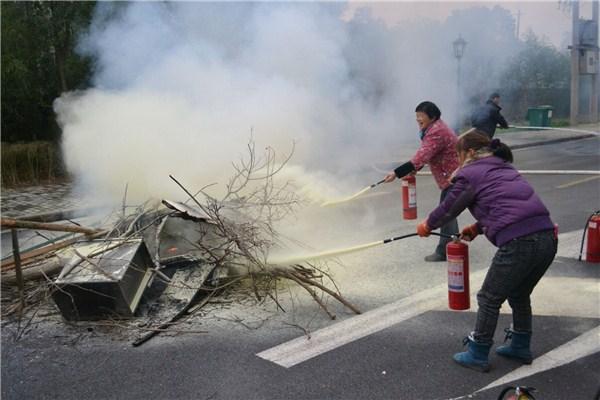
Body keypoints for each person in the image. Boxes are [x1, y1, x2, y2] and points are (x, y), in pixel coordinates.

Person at [416, 130, 557, 372]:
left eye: (458, 155)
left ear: (470, 153)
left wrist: (427, 225)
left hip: (519, 242)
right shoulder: (504, 168)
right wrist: (478, 228)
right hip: (547, 238)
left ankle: (478, 351)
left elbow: (449, 209)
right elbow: (509, 206)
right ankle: (520, 346)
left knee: (489, 297)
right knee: (519, 293)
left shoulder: (470, 173)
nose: (458, 160)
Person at [383, 101, 459, 262]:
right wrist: (414, 169)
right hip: (451, 176)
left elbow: (422, 156)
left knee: (447, 211)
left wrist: (396, 173)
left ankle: (445, 250)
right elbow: (429, 154)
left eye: (421, 116)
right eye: (416, 116)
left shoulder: (436, 131)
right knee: (449, 211)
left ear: (432, 116)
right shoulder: (432, 128)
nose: (417, 119)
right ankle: (452, 244)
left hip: (454, 176)